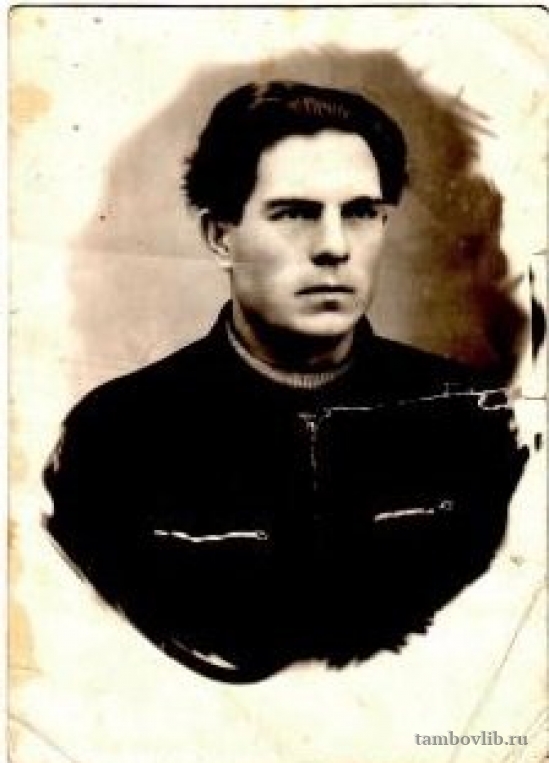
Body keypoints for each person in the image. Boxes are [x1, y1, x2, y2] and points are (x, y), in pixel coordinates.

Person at [43, 81, 526, 683]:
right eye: (295, 213)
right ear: (221, 236)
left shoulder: (475, 422)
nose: (334, 248)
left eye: (361, 213)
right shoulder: (113, 437)